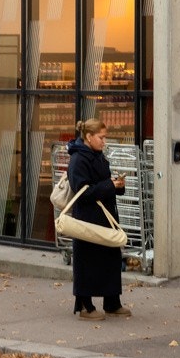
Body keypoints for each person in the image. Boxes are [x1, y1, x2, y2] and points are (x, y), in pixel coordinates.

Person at [66, 118, 129, 320]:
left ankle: (112, 302)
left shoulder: (98, 156)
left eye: (105, 137)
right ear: (89, 137)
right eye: (101, 137)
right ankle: (85, 305)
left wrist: (117, 184)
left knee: (110, 258)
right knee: (87, 261)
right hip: (87, 220)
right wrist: (109, 185)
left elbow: (103, 184)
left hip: (105, 216)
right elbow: (82, 192)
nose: (104, 141)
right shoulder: (78, 159)